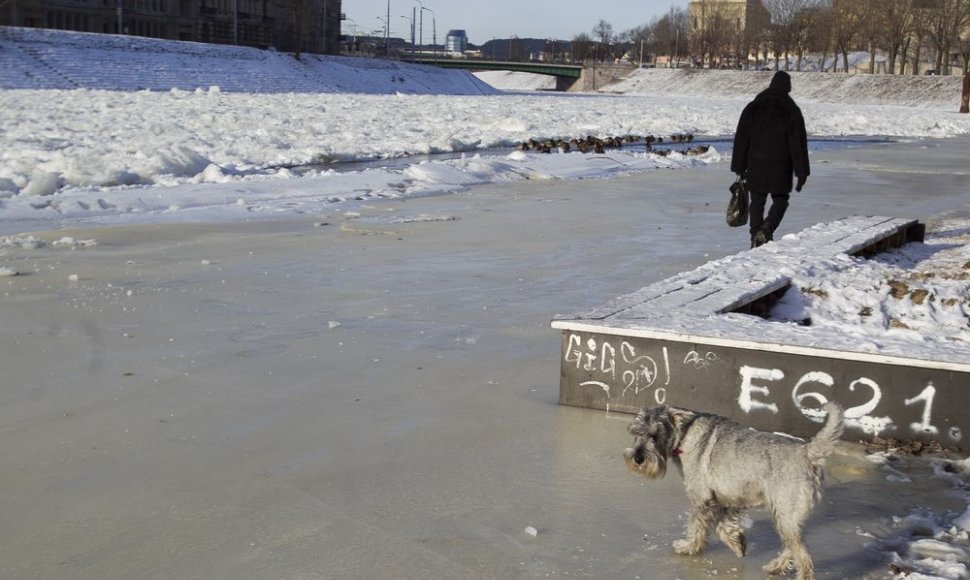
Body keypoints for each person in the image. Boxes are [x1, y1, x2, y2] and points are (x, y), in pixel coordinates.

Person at [731, 70, 810, 247]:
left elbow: (742, 138)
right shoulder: (791, 109)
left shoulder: (753, 107)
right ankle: (767, 229)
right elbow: (797, 143)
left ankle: (755, 238)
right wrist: (802, 172)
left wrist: (739, 165)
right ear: (787, 87)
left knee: (757, 201)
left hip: (756, 162)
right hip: (781, 165)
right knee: (781, 199)